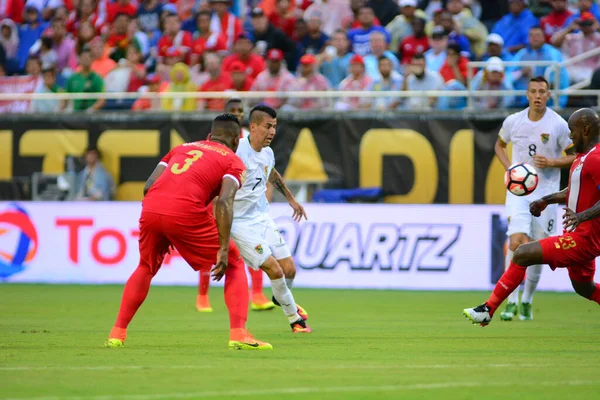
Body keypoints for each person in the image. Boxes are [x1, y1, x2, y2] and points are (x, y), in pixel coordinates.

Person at [105, 114, 273, 350]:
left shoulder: (180, 148)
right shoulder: (233, 162)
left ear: (209, 136)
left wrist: (166, 224)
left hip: (152, 208)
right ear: (237, 140)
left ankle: (117, 333)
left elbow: (148, 186)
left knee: (145, 266)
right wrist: (223, 249)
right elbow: (225, 202)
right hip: (185, 211)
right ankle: (239, 333)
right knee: (234, 262)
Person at [464, 108, 600, 326]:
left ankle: (488, 309)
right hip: (579, 235)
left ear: (585, 129)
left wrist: (582, 216)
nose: (570, 136)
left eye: (572, 131)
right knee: (585, 288)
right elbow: (574, 191)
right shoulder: (583, 158)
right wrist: (547, 199)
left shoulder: (596, 159)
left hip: (583, 239)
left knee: (523, 253)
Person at [491, 76, 576, 321]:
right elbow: (499, 145)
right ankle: (509, 301)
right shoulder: (513, 121)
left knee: (539, 248)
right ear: (527, 95)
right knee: (517, 241)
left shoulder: (558, 124)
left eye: (542, 91)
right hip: (518, 191)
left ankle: (527, 299)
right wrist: (510, 169)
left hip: (547, 194)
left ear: (549, 96)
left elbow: (574, 156)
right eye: (533, 91)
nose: (538, 95)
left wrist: (552, 162)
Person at [230, 105, 311, 333]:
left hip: (262, 217)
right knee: (275, 270)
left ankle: (280, 297)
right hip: (240, 223)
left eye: (275, 127)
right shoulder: (237, 151)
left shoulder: (268, 152)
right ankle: (295, 319)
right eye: (268, 126)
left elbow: (272, 173)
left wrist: (291, 200)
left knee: (290, 270)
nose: (272, 132)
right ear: (253, 127)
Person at [196, 100, 276, 313]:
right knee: (213, 250)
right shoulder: (220, 139)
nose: (238, 114)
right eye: (233, 111)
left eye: (240, 111)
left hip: (242, 204)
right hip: (220, 200)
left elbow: (262, 169)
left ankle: (257, 294)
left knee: (253, 246)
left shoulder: (251, 140)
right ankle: (203, 295)